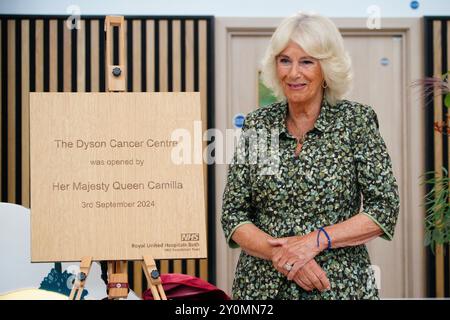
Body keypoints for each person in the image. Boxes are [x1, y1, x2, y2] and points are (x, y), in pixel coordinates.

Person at [221, 12, 400, 300]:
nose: (293, 73)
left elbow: (383, 209)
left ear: (326, 68)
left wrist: (315, 241)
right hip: (262, 289)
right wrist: (288, 256)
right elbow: (233, 214)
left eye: (306, 61)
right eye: (285, 60)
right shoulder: (258, 125)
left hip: (336, 286)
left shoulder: (356, 121)